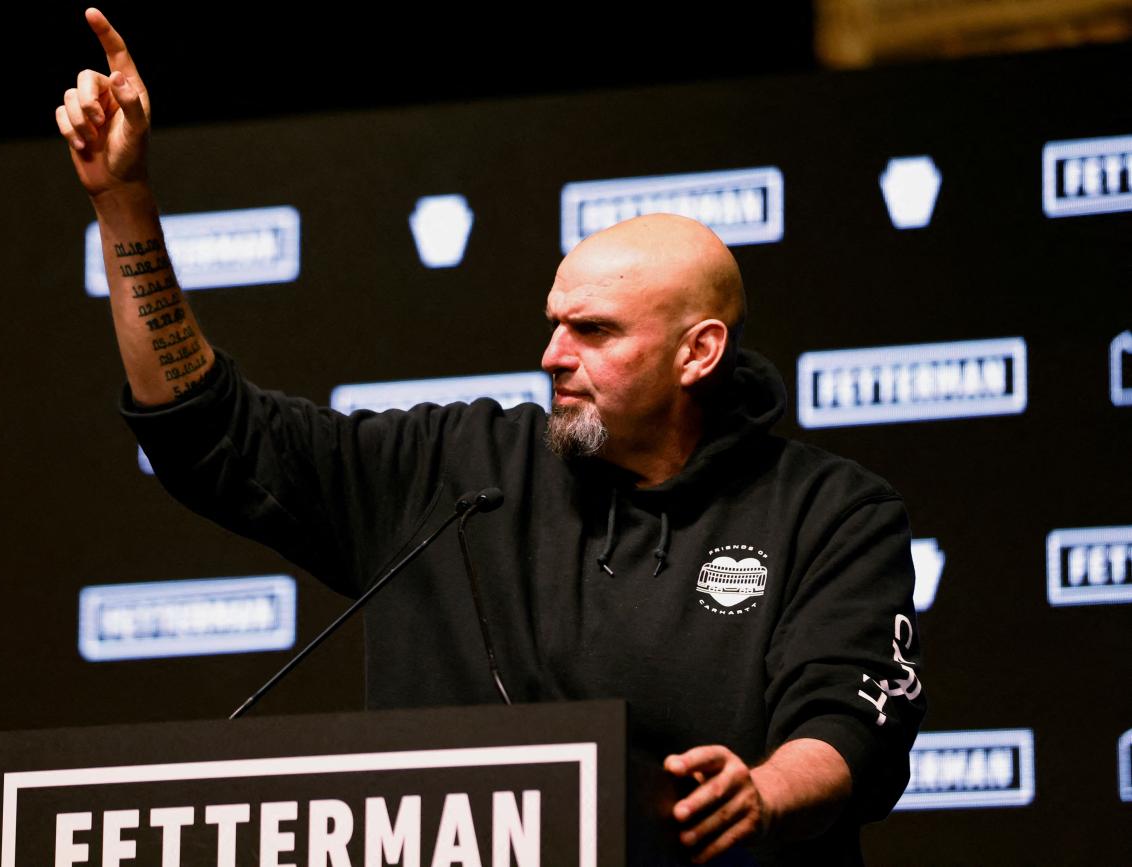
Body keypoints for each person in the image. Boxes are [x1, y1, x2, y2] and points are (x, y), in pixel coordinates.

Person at [58, 8, 926, 863]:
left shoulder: (829, 511)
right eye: (555, 323)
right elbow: (209, 433)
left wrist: (762, 792)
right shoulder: (453, 469)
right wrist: (122, 199)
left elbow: (851, 724)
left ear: (697, 352)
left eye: (594, 332)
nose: (553, 354)